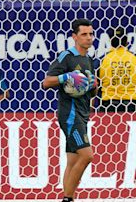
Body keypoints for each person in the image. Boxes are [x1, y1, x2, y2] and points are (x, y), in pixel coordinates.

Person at [42, 19, 97, 202]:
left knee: (73, 162)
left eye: (91, 34)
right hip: (70, 115)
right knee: (87, 155)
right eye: (84, 34)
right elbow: (46, 82)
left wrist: (94, 85)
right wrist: (67, 76)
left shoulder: (89, 59)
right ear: (74, 37)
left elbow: (90, 89)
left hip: (83, 114)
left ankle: (68, 196)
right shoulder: (66, 56)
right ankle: (68, 198)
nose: (89, 38)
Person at [99, 27, 136, 112]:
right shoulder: (133, 59)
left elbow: (95, 84)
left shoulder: (103, 60)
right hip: (131, 105)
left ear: (110, 41)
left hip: (109, 105)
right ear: (127, 42)